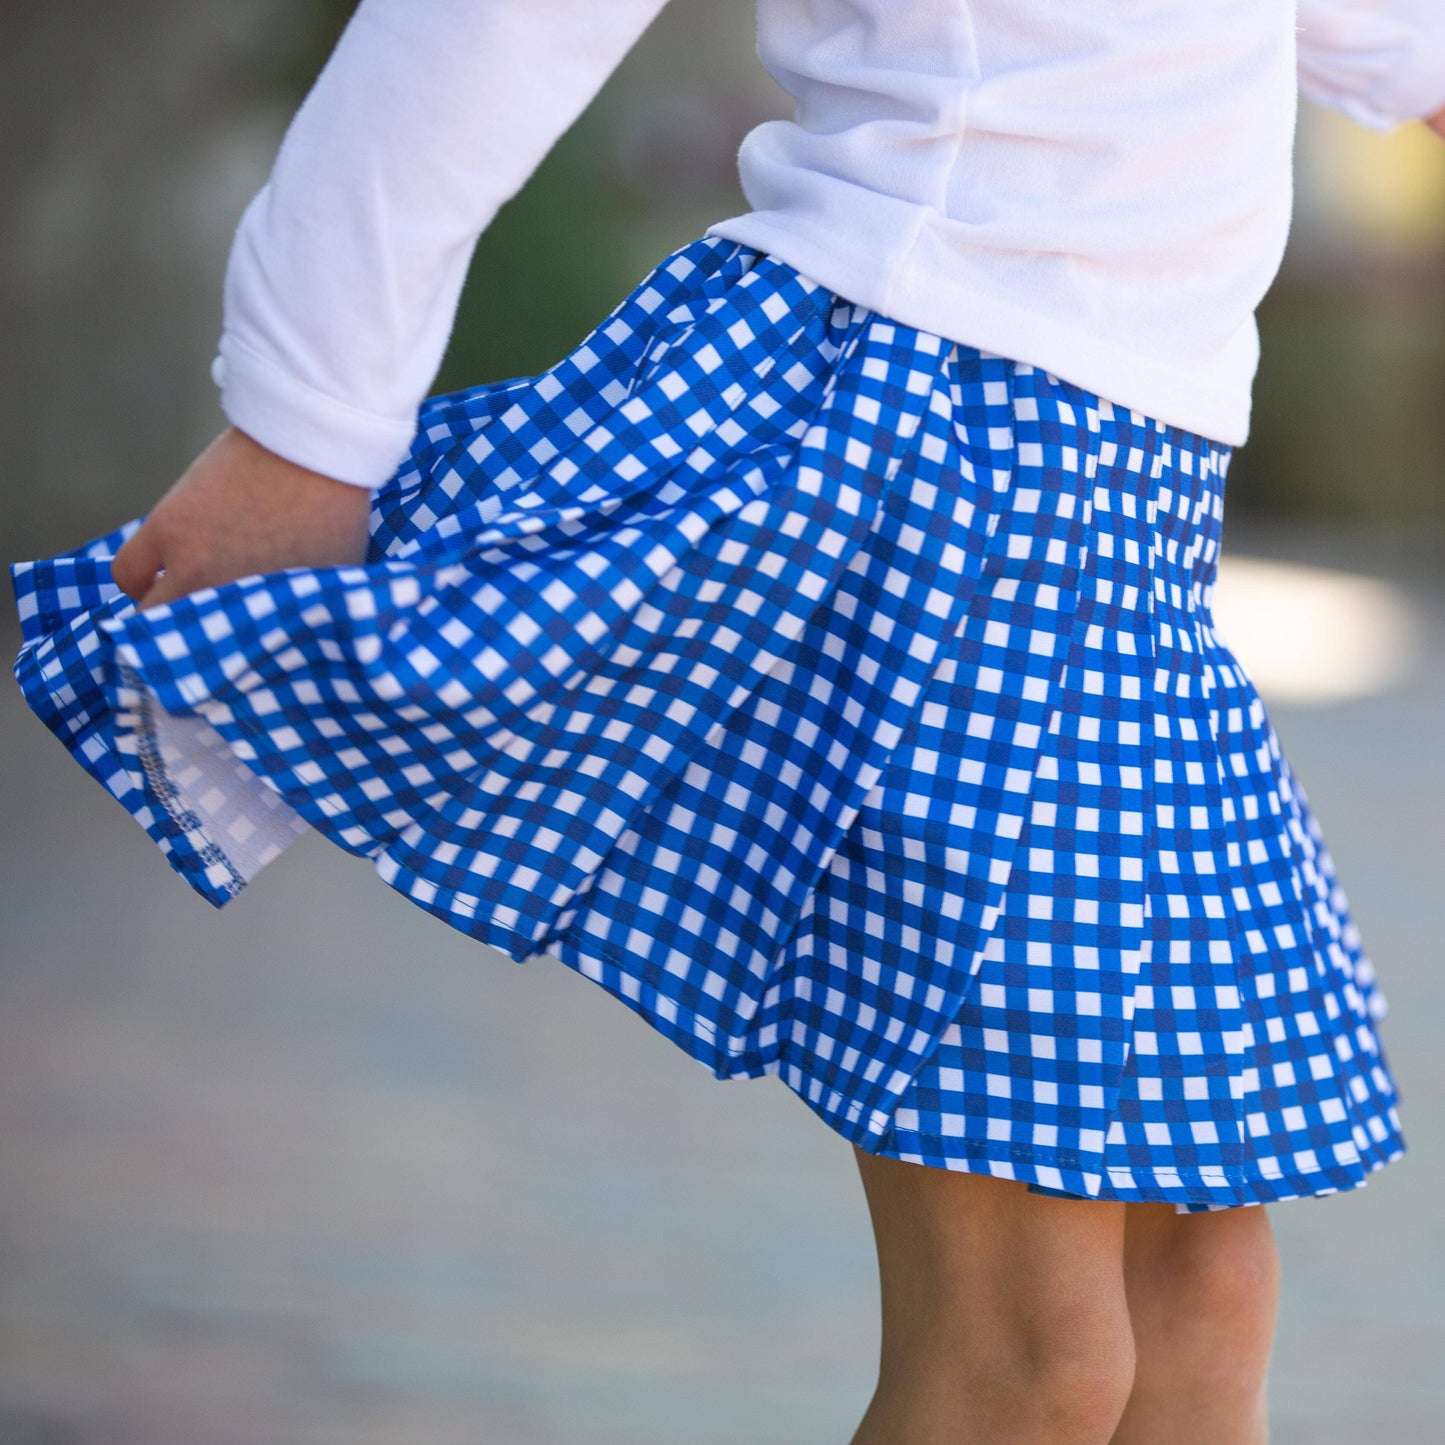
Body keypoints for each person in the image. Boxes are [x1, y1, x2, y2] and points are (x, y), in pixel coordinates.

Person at [11, 3, 1443, 1441]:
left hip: (1138, 520)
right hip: (942, 451)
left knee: (1196, 1285)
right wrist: (301, 422)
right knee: (1036, 1353)